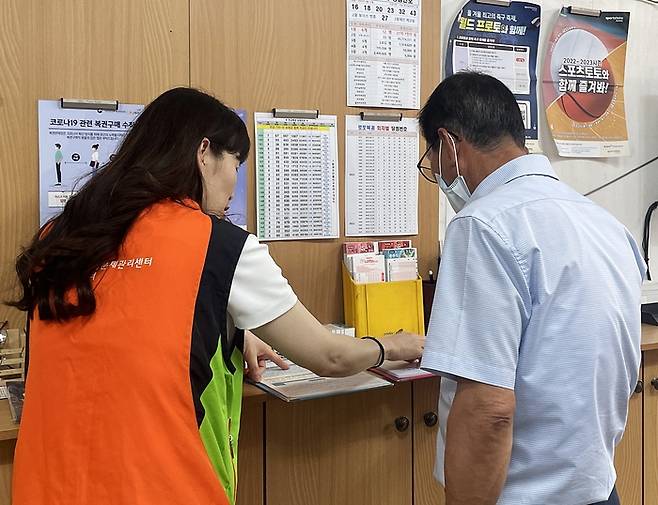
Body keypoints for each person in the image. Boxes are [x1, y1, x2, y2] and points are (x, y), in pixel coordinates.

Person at [9, 87, 424, 505]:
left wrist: (231, 331)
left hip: (47, 486)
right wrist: (394, 345)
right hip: (159, 488)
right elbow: (329, 356)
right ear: (204, 153)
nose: (234, 185)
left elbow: (120, 330)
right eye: (236, 164)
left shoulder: (61, 238)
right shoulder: (218, 243)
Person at [416, 72, 644, 505]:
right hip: (599, 490)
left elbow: (489, 408)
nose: (438, 174)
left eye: (433, 162)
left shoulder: (483, 223)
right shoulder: (605, 224)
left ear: (449, 145)